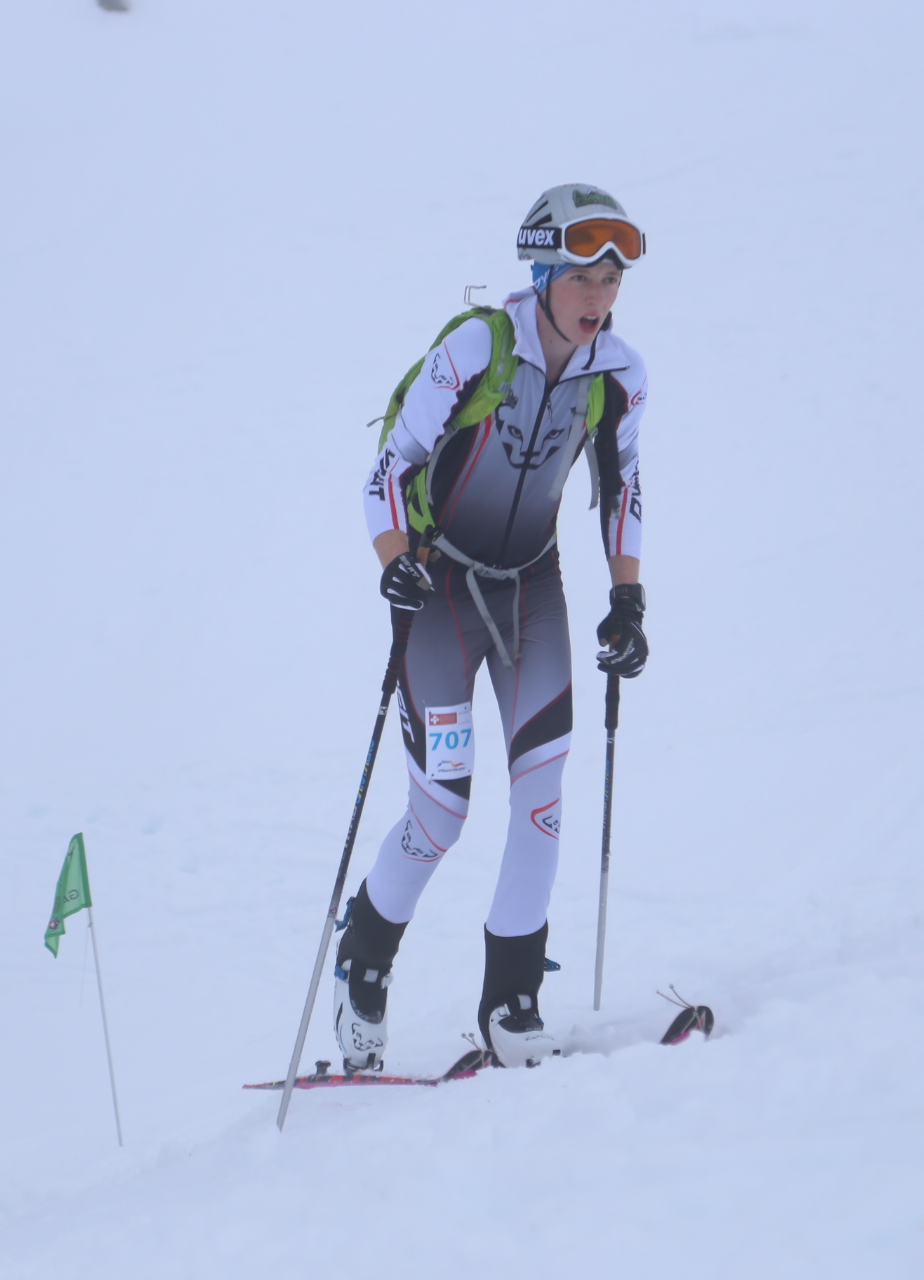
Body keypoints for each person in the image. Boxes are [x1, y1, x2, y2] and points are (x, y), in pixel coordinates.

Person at [338, 184, 650, 1071]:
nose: (598, 297)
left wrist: (628, 597)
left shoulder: (618, 374)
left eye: (612, 281)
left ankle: (512, 1001)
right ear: (544, 274)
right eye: (583, 277)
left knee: (542, 796)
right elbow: (388, 470)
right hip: (440, 590)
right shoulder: (478, 348)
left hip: (532, 593)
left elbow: (624, 487)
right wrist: (393, 559)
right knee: (441, 809)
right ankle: (363, 954)